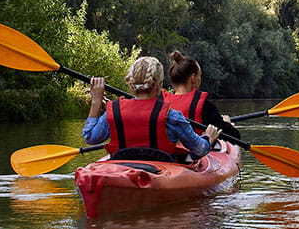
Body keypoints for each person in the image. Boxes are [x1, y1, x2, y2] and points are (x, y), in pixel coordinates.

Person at [82, 56, 220, 162]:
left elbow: (90, 138)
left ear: (130, 84)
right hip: (161, 174)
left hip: (122, 168)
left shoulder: (113, 113)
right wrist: (208, 138)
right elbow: (198, 150)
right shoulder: (171, 116)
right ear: (159, 85)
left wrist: (96, 101)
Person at [165, 51, 241, 139]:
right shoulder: (204, 106)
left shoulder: (162, 103)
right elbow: (235, 136)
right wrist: (227, 124)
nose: (200, 79)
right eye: (199, 75)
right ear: (193, 78)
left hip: (167, 151)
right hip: (195, 150)